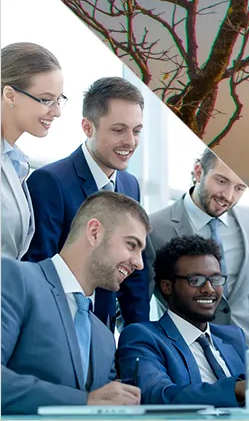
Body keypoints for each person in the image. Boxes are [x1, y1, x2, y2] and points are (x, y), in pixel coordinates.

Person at [1, 191, 146, 414]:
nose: (139, 263)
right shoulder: (15, 279)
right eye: (131, 245)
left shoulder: (105, 338)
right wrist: (85, 401)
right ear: (94, 232)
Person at [24, 76, 147, 332]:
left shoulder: (130, 185)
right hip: (60, 332)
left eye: (136, 131)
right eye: (118, 130)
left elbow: (134, 280)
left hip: (105, 338)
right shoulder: (49, 182)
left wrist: (139, 345)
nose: (131, 141)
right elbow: (40, 272)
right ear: (88, 127)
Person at [145, 149, 249, 341]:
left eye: (240, 188)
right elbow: (136, 304)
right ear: (199, 172)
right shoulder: (154, 228)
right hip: (188, 354)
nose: (228, 195)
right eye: (221, 181)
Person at [115, 235, 249, 408]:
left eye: (216, 280)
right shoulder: (142, 337)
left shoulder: (233, 337)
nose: (209, 289)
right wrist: (237, 388)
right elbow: (156, 396)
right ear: (167, 286)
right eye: (195, 280)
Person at [1, 42, 65, 262]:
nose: (56, 112)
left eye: (59, 100)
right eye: (46, 99)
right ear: (10, 95)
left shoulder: (15, 162)